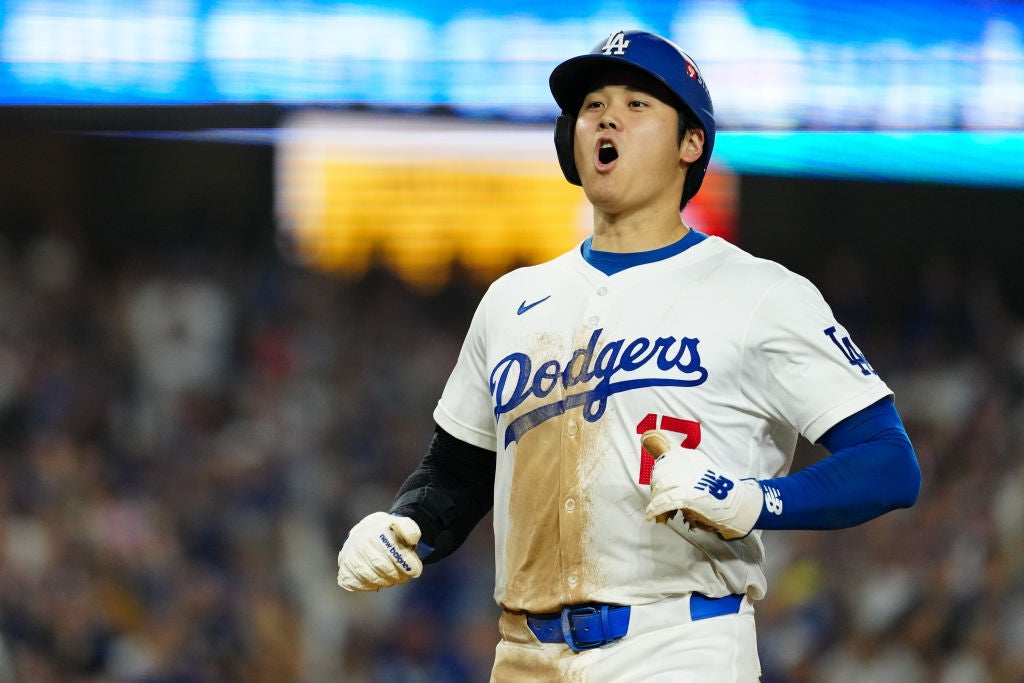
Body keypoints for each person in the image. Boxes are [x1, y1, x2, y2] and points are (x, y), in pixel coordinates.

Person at [336, 29, 921, 682]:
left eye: (636, 104)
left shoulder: (761, 294)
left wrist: (755, 501)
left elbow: (889, 462)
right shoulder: (512, 300)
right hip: (525, 653)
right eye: (593, 106)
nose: (607, 117)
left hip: (679, 642)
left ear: (691, 142)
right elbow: (456, 475)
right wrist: (402, 528)